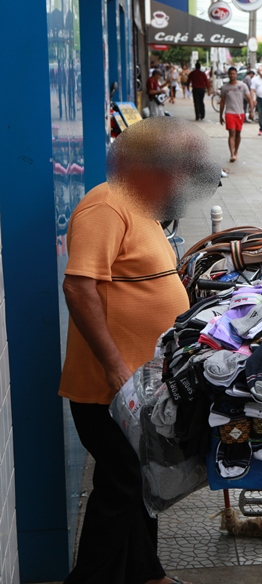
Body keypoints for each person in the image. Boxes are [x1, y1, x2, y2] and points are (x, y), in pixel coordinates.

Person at [59, 117, 218, 584]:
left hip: (141, 377)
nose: (178, 179)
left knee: (142, 479)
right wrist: (113, 369)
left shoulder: (141, 207)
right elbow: (79, 288)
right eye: (171, 169)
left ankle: (148, 574)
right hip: (109, 386)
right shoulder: (105, 206)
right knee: (122, 483)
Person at [219, 66, 250, 162]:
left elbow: (249, 99)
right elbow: (222, 102)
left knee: (238, 133)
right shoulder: (224, 87)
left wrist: (252, 110)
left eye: (234, 73)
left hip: (240, 113)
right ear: (228, 74)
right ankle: (232, 154)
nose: (232, 75)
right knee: (232, 132)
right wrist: (220, 115)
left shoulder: (243, 86)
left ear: (236, 74)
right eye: (230, 73)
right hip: (229, 113)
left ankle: (236, 151)